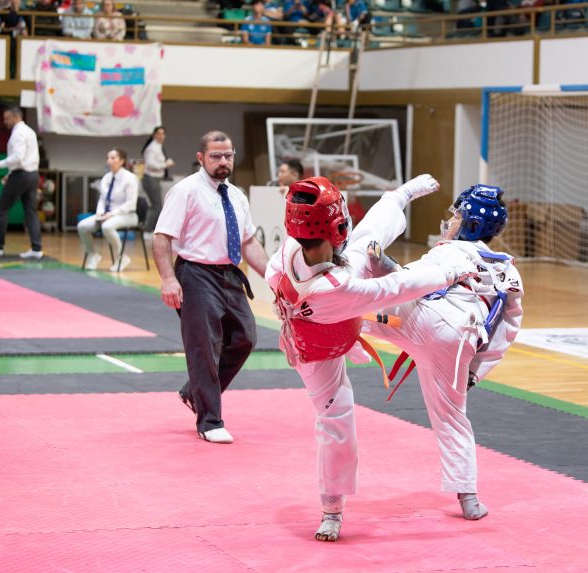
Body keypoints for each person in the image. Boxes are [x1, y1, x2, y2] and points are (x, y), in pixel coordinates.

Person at [266, 174, 478, 542]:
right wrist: (448, 272)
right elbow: (394, 287)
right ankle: (331, 508)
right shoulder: (335, 288)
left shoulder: (287, 251)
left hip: (329, 317)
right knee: (336, 417)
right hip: (315, 351)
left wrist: (402, 195)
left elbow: (361, 244)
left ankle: (400, 194)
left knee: (365, 245)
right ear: (335, 225)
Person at [363, 183, 523, 524]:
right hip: (462, 341)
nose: (448, 221)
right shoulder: (508, 270)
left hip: (427, 319)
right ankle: (469, 498)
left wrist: (385, 265)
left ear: (469, 225)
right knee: (452, 417)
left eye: (455, 216)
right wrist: (476, 371)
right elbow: (507, 327)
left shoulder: (452, 251)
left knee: (348, 311)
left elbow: (417, 280)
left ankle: (325, 330)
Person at [153, 131, 269, 445]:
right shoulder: (186, 190)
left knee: (245, 338)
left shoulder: (237, 194)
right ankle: (209, 420)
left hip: (230, 275)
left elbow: (249, 242)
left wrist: (274, 276)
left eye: (228, 155)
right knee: (205, 347)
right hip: (195, 274)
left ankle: (195, 392)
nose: (223, 161)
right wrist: (167, 279)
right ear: (201, 157)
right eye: (216, 155)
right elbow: (161, 237)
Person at [0, 106, 43, 260]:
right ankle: (36, 248)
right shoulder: (30, 131)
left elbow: (18, 157)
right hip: (32, 175)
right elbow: (28, 157)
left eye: (7, 118)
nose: (5, 122)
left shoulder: (18, 133)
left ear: (15, 117)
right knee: (31, 212)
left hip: (21, 175)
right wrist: (10, 173)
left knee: (2, 208)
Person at [77, 148, 139, 272]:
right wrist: (100, 212)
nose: (109, 161)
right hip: (106, 215)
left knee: (107, 227)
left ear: (122, 161)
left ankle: (121, 257)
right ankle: (93, 254)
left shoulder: (130, 178)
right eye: (108, 158)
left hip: (127, 215)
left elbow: (131, 204)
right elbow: (102, 199)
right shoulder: (107, 177)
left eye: (113, 158)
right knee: (82, 226)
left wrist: (112, 214)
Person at [141, 126, 174, 235]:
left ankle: (150, 230)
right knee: (156, 206)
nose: (161, 136)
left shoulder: (158, 146)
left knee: (157, 205)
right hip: (150, 178)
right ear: (154, 135)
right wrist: (166, 164)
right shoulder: (152, 148)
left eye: (163, 133)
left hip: (155, 179)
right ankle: (148, 230)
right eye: (159, 133)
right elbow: (150, 164)